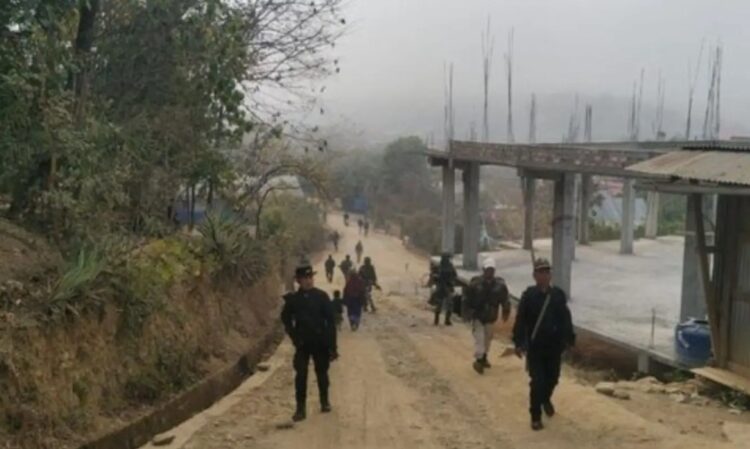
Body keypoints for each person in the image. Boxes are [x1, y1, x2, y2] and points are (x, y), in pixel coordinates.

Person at [512, 258, 575, 431]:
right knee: (537, 381)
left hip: (554, 347)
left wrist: (569, 339)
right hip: (536, 348)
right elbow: (521, 320)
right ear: (534, 275)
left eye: (547, 272)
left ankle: (545, 398)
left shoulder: (558, 295)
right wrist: (518, 342)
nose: (545, 275)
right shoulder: (529, 296)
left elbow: (565, 318)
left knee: (553, 378)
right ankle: (535, 416)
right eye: (541, 272)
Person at [280, 263, 338, 422]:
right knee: (301, 375)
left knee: (322, 373)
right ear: (298, 280)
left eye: (310, 277)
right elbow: (285, 319)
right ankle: (300, 409)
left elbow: (331, 323)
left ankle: (324, 402)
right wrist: (294, 336)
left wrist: (333, 347)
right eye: (304, 278)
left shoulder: (322, 297)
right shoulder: (293, 300)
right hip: (302, 344)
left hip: (320, 342)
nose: (308, 280)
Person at [466, 258, 510, 374]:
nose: (489, 272)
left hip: (491, 317)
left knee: (488, 338)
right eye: (487, 270)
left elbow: (505, 300)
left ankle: (484, 357)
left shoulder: (499, 286)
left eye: (491, 270)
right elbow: (467, 299)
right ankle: (479, 360)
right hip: (478, 316)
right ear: (483, 270)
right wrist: (468, 313)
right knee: (480, 339)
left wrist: (506, 311)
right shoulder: (475, 284)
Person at [430, 253, 457, 326]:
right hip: (442, 287)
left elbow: (454, 275)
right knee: (441, 304)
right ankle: (439, 320)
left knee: (448, 304)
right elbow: (434, 276)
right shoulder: (441, 267)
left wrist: (451, 282)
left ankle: (445, 320)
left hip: (446, 287)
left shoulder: (447, 267)